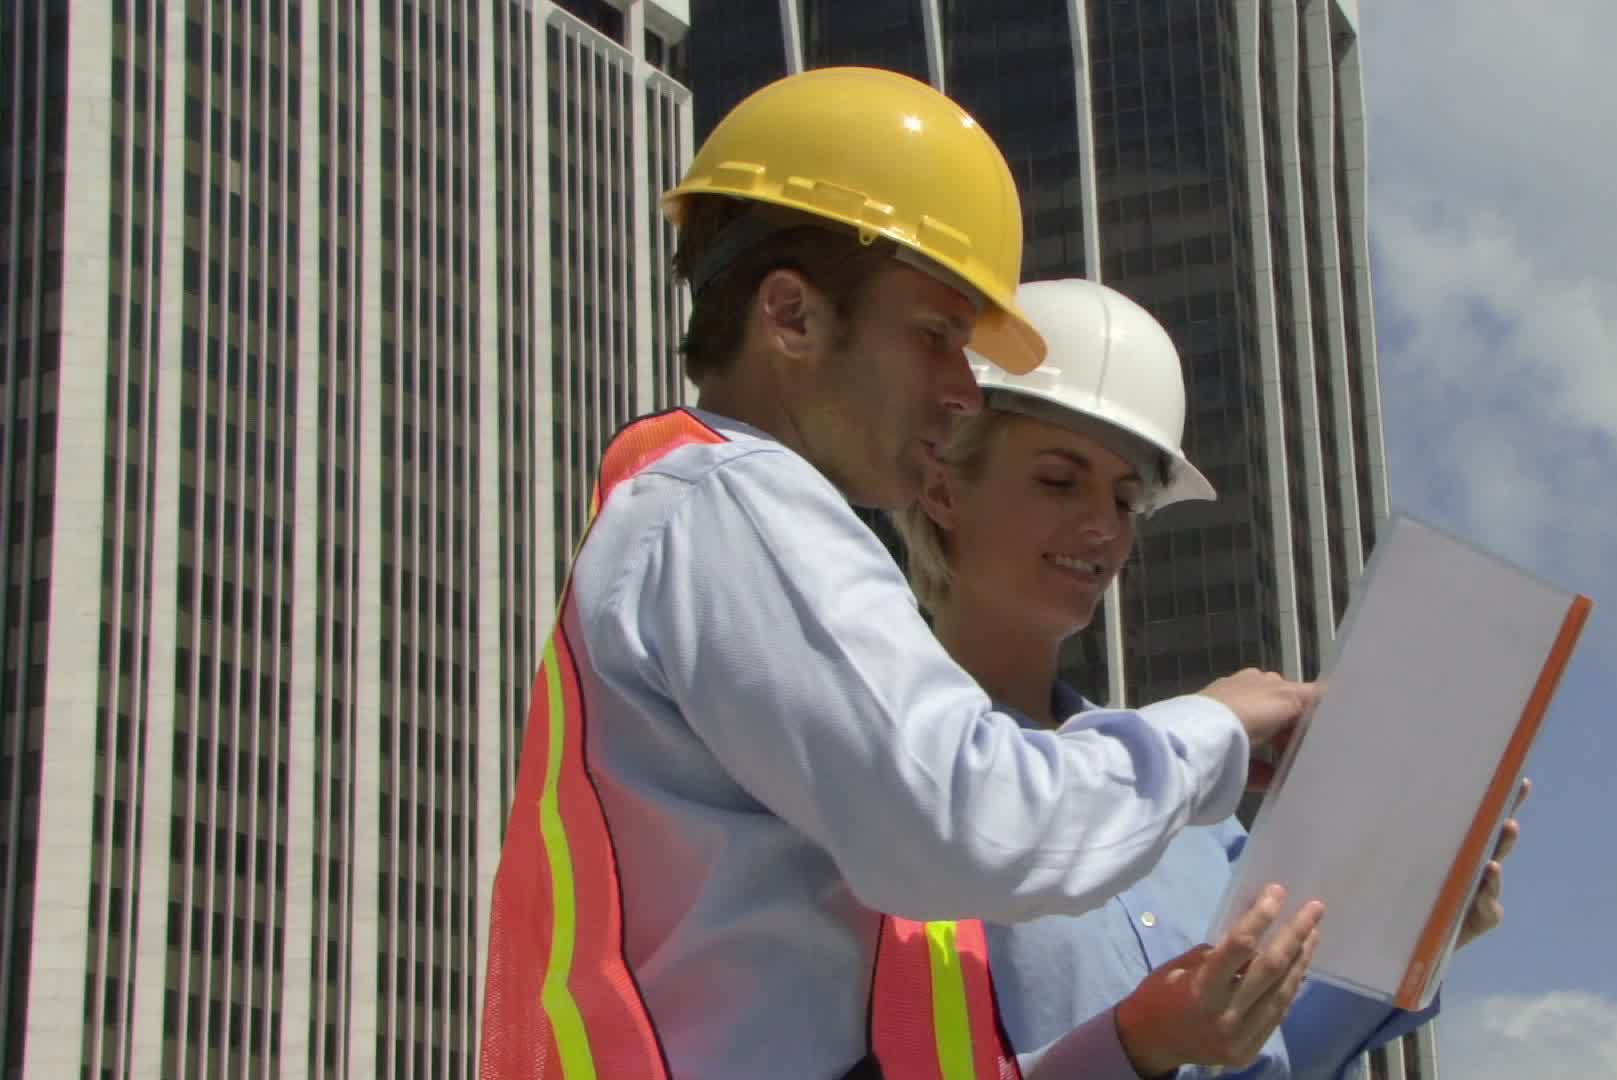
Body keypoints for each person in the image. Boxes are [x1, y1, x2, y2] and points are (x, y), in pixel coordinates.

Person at [479, 68, 1325, 1079]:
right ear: (790, 316)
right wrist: (1216, 728)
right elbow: (977, 817)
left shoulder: (715, 533)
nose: (963, 390)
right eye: (936, 337)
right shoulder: (735, 498)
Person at [892, 278, 1527, 1079]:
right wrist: (1136, 1048)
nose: (1101, 527)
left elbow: (1274, 1058)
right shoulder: (882, 769)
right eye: (1060, 480)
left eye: (1126, 501)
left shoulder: (1201, 822)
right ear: (945, 489)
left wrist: (1418, 936)